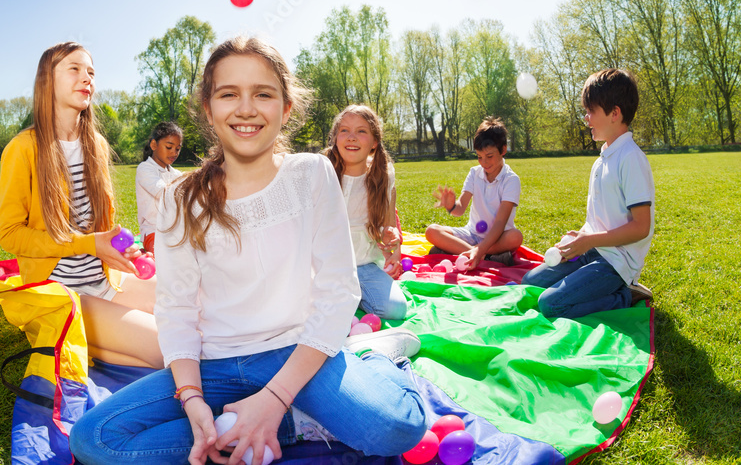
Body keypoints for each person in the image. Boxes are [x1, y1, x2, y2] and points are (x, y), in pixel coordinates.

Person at [70, 36, 425, 465]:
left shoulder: (310, 173)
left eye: (262, 93)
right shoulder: (179, 198)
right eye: (228, 94)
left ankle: (373, 355)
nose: (246, 108)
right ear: (208, 108)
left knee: (396, 428)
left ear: (285, 107)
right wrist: (193, 401)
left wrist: (273, 397)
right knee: (95, 441)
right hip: (213, 364)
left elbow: (338, 291)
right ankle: (293, 423)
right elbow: (176, 308)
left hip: (299, 351)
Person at [0, 41, 163, 368]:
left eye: (91, 72)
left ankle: (82, 347)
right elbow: (10, 234)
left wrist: (120, 247)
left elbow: (100, 228)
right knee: (166, 347)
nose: (86, 78)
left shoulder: (96, 145)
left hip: (104, 281)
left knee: (193, 307)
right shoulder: (22, 148)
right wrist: (89, 244)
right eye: (74, 69)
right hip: (60, 295)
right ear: (47, 81)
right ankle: (65, 338)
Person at [522, 68, 655, 319]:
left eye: (591, 111)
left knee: (551, 304)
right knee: (530, 282)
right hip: (593, 250)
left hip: (616, 263)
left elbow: (641, 227)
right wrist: (579, 238)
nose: (586, 118)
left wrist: (589, 241)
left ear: (615, 113)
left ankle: (626, 294)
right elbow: (598, 220)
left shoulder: (631, 159)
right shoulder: (602, 160)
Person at [323, 104, 408, 320]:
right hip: (324, 266)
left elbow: (388, 229)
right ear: (335, 138)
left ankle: (353, 293)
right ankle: (344, 294)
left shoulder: (383, 176)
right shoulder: (321, 172)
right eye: (344, 130)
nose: (352, 137)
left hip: (363, 265)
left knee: (396, 309)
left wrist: (392, 243)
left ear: (374, 143)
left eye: (361, 131)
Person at [425, 116, 523, 269]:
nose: (484, 162)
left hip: (497, 238)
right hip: (471, 235)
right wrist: (451, 206)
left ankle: (466, 252)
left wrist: (481, 248)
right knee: (431, 231)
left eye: (489, 156)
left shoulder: (511, 180)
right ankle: (482, 256)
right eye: (479, 157)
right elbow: (460, 209)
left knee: (515, 237)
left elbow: (500, 223)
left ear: (503, 150)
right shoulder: (474, 173)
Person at [136, 121, 184, 254]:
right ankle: (146, 252)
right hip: (153, 231)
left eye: (178, 149)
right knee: (166, 258)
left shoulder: (175, 174)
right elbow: (163, 191)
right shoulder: (145, 169)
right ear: (153, 145)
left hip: (175, 232)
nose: (174, 152)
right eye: (169, 147)